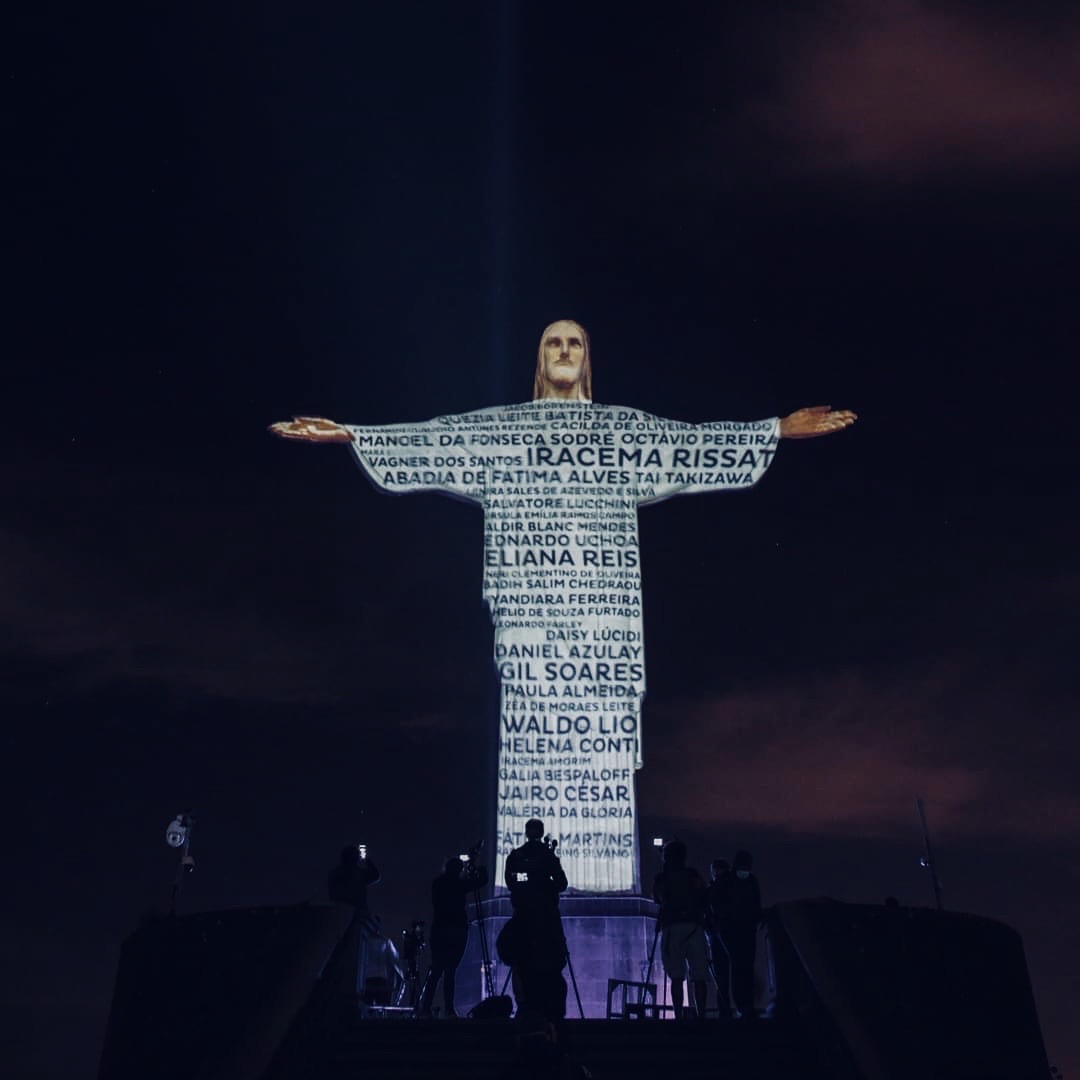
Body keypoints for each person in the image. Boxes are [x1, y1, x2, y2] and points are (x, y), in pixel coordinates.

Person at [271, 321, 856, 894]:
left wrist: (774, 430)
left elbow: (691, 440)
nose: (564, 350)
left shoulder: (621, 431)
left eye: (575, 341)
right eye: (553, 341)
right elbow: (435, 437)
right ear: (539, 358)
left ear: (588, 357)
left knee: (608, 750)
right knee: (527, 741)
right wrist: (350, 433)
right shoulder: (507, 432)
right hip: (529, 627)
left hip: (607, 628)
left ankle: (604, 880)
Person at [499, 819, 570, 1021]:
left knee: (521, 966)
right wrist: (543, 884)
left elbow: (512, 882)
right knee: (550, 965)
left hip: (524, 917)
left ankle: (526, 1008)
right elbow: (561, 883)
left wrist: (530, 882)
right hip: (545, 919)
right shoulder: (546, 856)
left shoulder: (516, 856)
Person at [417, 855, 489, 1018]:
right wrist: (477, 866)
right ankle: (448, 1008)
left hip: (440, 930)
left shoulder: (439, 883)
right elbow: (482, 881)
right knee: (450, 971)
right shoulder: (459, 884)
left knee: (436, 970)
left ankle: (426, 1007)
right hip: (456, 930)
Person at [652, 840, 709, 1019]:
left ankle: (678, 1015)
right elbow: (704, 895)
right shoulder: (693, 875)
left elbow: (657, 898)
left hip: (672, 927)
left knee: (676, 975)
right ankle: (701, 1015)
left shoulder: (662, 877)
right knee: (699, 974)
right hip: (694, 926)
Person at [724, 849, 762, 1019]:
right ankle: (742, 1006)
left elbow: (756, 903)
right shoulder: (728, 881)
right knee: (739, 969)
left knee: (745, 969)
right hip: (733, 932)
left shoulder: (751, 881)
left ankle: (747, 1006)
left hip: (746, 931)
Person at [705, 858, 734, 1018]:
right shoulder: (734, 885)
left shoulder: (714, 887)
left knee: (721, 973)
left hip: (718, 932)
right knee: (732, 971)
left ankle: (725, 1008)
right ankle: (738, 1007)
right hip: (728, 932)